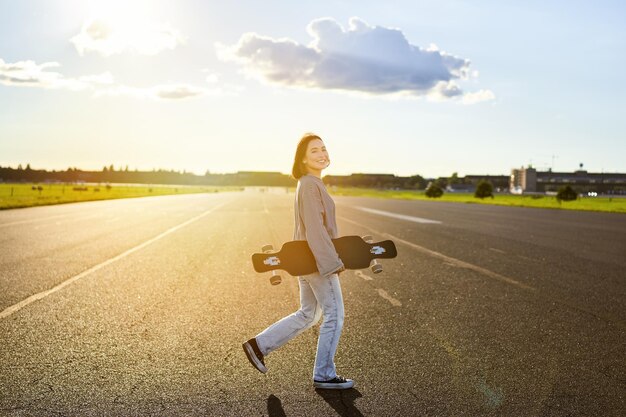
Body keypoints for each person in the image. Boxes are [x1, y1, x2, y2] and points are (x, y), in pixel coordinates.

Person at [242, 133, 354, 390]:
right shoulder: (310, 185)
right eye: (314, 150)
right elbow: (315, 230)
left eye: (324, 149)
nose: (322, 154)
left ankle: (258, 346)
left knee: (308, 314)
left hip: (308, 260)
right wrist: (332, 264)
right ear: (303, 159)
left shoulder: (311, 183)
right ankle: (324, 374)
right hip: (317, 262)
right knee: (334, 315)